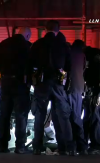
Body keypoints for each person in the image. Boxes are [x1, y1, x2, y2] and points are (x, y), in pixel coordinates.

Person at [29, 20, 72, 155]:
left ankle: (37, 147)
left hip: (42, 84)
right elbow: (68, 66)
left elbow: (30, 64)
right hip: (58, 84)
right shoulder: (63, 45)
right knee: (62, 116)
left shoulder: (37, 44)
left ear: (45, 29)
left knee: (40, 116)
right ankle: (67, 147)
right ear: (58, 30)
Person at [0, 27, 32, 154]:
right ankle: (20, 146)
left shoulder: (3, 44)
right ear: (27, 36)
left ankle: (3, 145)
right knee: (21, 115)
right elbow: (31, 66)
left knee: (4, 114)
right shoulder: (27, 46)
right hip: (21, 83)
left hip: (5, 82)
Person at [83, 46, 100, 155]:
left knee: (95, 119)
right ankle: (91, 144)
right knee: (90, 119)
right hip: (94, 93)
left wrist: (98, 96)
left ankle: (96, 145)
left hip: (97, 94)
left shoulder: (98, 64)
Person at [67, 39, 88, 156]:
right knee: (76, 117)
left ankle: (74, 146)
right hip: (79, 88)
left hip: (71, 88)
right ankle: (81, 146)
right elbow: (83, 70)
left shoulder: (69, 54)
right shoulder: (82, 55)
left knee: (71, 118)